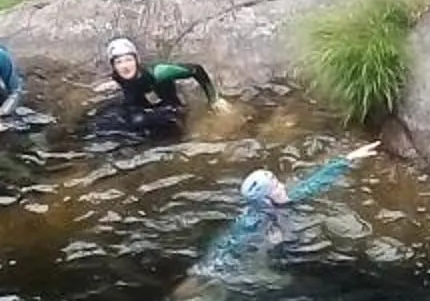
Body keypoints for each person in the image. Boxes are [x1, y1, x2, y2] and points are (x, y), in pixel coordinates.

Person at [199, 147, 380, 275]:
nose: (282, 186)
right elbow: (228, 254)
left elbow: (312, 185)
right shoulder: (252, 224)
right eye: (276, 187)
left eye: (278, 183)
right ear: (265, 200)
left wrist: (347, 160)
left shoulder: (281, 200)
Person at [83, 35, 218, 141]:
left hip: (170, 110)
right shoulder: (117, 78)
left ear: (137, 61)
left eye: (129, 60)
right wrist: (114, 85)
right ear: (113, 66)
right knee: (102, 121)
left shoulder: (158, 72)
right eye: (119, 62)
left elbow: (196, 69)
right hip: (143, 110)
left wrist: (214, 100)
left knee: (140, 122)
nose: (125, 66)